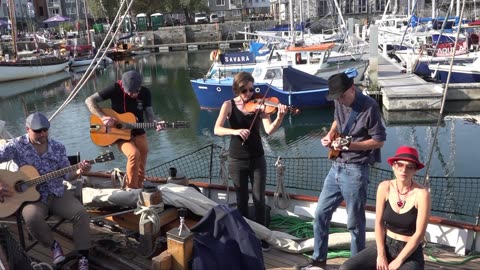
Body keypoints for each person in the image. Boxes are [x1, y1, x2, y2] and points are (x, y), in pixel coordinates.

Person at [300, 72, 387, 269]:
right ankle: (318, 259)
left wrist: (349, 146)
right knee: (321, 213)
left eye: (342, 96)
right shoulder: (339, 101)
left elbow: (379, 140)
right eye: (336, 97)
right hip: (336, 167)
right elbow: (337, 122)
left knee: (355, 224)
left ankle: (355, 264)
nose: (339, 100)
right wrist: (330, 136)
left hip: (356, 169)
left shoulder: (369, 107)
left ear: (352, 89)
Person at [0, 112, 92, 269]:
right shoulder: (15, 146)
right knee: (31, 217)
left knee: (81, 214)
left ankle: (83, 256)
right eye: (38, 131)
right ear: (27, 129)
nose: (43, 134)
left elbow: (66, 175)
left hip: (56, 192)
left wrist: (79, 172)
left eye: (45, 130)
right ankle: (53, 246)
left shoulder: (57, 147)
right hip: (31, 198)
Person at [214, 71, 287, 251]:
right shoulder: (228, 105)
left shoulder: (260, 104)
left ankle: (261, 236)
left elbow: (269, 130)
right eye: (244, 90)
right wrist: (235, 131)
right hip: (236, 159)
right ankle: (244, 234)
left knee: (259, 198)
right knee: (242, 199)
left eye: (251, 89)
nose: (248, 94)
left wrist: (280, 117)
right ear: (237, 89)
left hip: (257, 157)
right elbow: (217, 129)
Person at [340, 146, 431, 270]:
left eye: (410, 166)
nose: (404, 170)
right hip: (385, 244)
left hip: (410, 252)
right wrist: (381, 254)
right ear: (393, 166)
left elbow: (419, 234)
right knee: (347, 267)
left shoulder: (421, 194)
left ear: (415, 170)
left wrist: (399, 260)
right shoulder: (384, 187)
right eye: (400, 164)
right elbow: (379, 223)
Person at [85, 70, 163, 189]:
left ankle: (139, 185)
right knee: (133, 154)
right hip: (119, 133)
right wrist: (103, 117)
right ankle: (131, 189)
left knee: (143, 152)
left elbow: (150, 116)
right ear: (123, 86)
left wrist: (156, 122)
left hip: (138, 131)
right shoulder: (114, 88)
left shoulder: (146, 93)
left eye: (136, 91)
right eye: (130, 92)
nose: (133, 95)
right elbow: (89, 100)